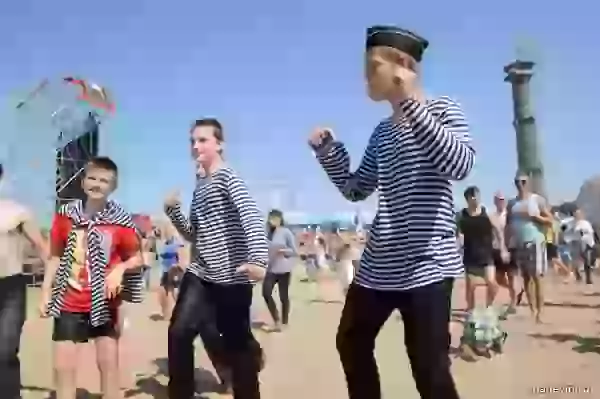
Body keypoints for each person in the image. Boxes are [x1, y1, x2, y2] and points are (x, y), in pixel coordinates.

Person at [309, 25, 474, 399]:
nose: (365, 77)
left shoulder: (444, 110)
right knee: (350, 342)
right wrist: (328, 152)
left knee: (428, 367)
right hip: (380, 265)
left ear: (402, 65)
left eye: (372, 67)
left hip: (428, 264)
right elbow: (356, 188)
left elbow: (460, 165)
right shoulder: (382, 133)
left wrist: (411, 105)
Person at [165, 118, 268, 399]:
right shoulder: (201, 183)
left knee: (238, 346)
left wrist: (258, 259)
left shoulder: (228, 177)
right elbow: (193, 235)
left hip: (233, 276)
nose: (196, 146)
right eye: (192, 141)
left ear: (219, 144)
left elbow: (251, 217)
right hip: (201, 273)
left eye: (203, 140)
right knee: (178, 333)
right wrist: (173, 212)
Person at [40, 156, 144, 399]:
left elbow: (138, 257)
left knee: (108, 366)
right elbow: (55, 256)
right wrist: (46, 291)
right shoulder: (65, 216)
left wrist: (119, 270)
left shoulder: (121, 221)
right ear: (84, 181)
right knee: (63, 368)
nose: (97, 184)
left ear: (113, 186)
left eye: (104, 180)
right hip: (68, 301)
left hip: (105, 303)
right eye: (93, 178)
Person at [0, 163, 49, 399]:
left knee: (5, 349)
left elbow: (42, 247)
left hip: (10, 285)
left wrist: (55, 283)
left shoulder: (17, 212)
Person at [505, 171, 553, 324]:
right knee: (526, 278)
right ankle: (533, 311)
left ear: (528, 183)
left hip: (535, 241)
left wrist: (535, 217)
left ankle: (541, 312)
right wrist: (506, 244)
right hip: (519, 243)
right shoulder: (512, 203)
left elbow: (550, 220)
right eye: (518, 182)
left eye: (523, 182)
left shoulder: (537, 200)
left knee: (537, 277)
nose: (520, 185)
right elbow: (508, 224)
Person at [457, 186, 498, 311]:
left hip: (486, 255)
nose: (476, 198)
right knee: (470, 287)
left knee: (492, 283)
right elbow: (458, 233)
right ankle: (471, 310)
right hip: (470, 254)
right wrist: (459, 242)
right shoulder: (461, 216)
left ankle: (488, 306)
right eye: (473, 196)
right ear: (467, 199)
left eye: (478, 196)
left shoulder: (486, 213)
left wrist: (501, 246)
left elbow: (497, 230)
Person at [263, 209, 298, 331]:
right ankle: (276, 320)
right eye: (271, 218)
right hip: (271, 268)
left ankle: (284, 322)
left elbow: (295, 251)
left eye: (275, 218)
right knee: (266, 293)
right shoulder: (267, 233)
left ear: (280, 220)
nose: (272, 221)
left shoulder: (286, 232)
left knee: (284, 296)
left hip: (284, 269)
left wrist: (283, 251)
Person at [489, 191, 517, 315]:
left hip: (510, 249)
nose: (501, 202)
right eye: (498, 200)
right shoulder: (492, 216)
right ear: (495, 201)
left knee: (512, 277)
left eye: (502, 200)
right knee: (499, 279)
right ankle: (513, 291)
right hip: (496, 250)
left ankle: (513, 303)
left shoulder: (510, 216)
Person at [157, 227, 185, 320]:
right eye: (166, 232)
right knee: (165, 292)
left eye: (168, 232)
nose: (167, 234)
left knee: (174, 292)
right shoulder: (165, 244)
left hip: (174, 270)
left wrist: (178, 266)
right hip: (165, 271)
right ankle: (168, 313)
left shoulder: (177, 244)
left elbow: (181, 257)